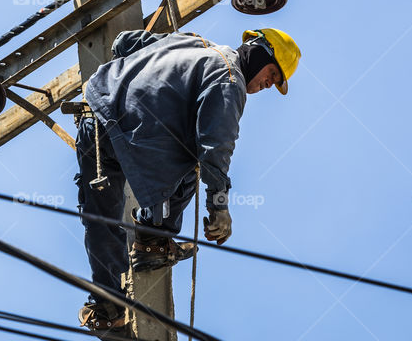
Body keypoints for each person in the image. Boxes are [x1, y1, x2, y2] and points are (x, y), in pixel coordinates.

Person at [75, 28, 301, 333]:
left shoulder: (192, 42)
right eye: (271, 74)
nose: (265, 85)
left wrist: (140, 81)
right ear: (259, 52)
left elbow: (123, 43)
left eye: (273, 83)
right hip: (131, 135)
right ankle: (154, 239)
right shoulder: (229, 78)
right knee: (193, 160)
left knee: (99, 218)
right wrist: (219, 204)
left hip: (95, 117)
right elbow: (215, 145)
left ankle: (106, 307)